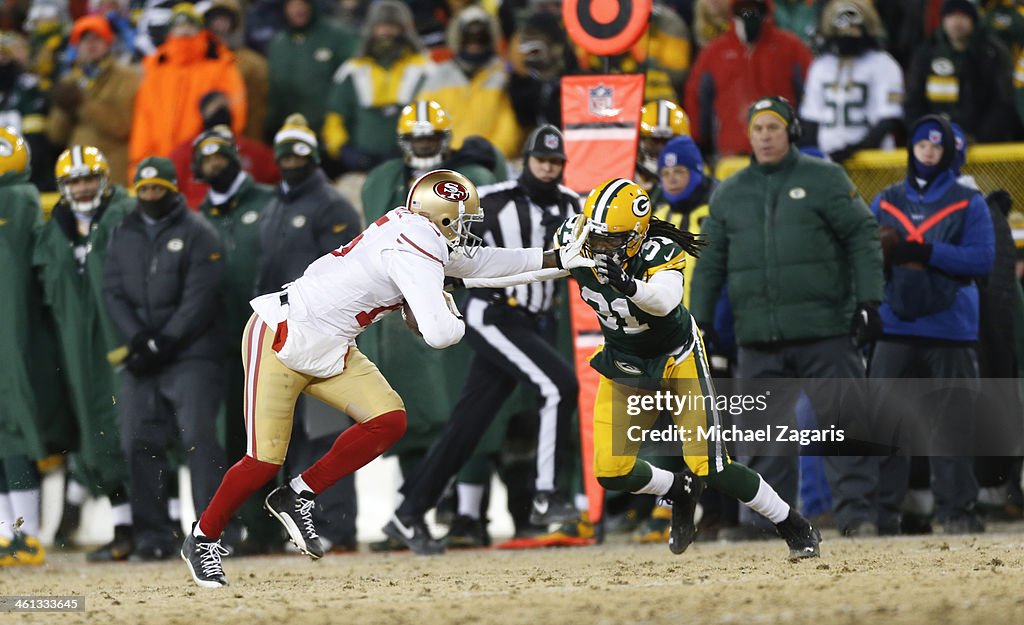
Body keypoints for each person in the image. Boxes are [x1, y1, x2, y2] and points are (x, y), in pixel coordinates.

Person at [180, 168, 596, 587]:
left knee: (389, 420)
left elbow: (482, 262)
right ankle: (203, 538)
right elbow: (441, 333)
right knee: (263, 459)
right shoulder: (416, 248)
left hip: (331, 345)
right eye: (464, 220)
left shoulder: (417, 231)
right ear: (443, 217)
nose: (467, 230)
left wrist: (556, 260)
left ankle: (298, 494)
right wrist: (449, 307)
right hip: (281, 337)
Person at [455, 177, 822, 560]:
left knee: (710, 466)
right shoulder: (577, 237)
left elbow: (665, 301)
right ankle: (678, 489)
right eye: (596, 236)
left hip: (676, 358)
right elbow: (535, 269)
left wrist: (630, 286)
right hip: (627, 362)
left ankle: (792, 523)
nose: (600, 246)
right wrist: (466, 276)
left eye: (611, 239)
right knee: (611, 471)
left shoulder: (659, 250)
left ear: (636, 235)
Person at [690, 96, 885, 537]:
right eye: (757, 129)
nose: (764, 136)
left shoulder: (826, 179)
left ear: (791, 132)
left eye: (773, 128)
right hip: (758, 336)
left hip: (826, 330)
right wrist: (698, 320)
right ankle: (764, 523)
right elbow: (710, 261)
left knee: (844, 425)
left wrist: (871, 301)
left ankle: (858, 516)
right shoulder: (731, 191)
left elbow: (863, 235)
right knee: (761, 438)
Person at [382, 125, 582, 553]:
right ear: (525, 159)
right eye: (540, 160)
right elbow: (443, 231)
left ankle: (407, 514)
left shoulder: (572, 204)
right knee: (558, 386)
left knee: (467, 426)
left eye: (555, 162)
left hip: (533, 320)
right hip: (492, 313)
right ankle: (547, 495)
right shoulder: (495, 199)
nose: (547, 168)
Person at [869, 114, 995, 534]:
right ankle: (880, 515)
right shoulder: (886, 199)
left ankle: (957, 512)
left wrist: (923, 252)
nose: (928, 150)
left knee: (952, 426)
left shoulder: (969, 201)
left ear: (949, 153)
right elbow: (864, 255)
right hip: (895, 324)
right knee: (884, 426)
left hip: (950, 327)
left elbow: (981, 260)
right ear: (912, 148)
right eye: (922, 143)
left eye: (937, 146)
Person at [103, 157, 229, 560]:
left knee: (199, 440)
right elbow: (112, 290)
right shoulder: (123, 231)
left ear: (173, 190)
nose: (151, 196)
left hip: (192, 353)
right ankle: (153, 536)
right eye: (144, 189)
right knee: (138, 440)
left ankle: (213, 532)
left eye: (158, 189)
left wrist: (164, 341)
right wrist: (140, 339)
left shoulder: (198, 232)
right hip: (145, 355)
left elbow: (201, 297)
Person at [255, 113, 364, 552]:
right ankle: (306, 528)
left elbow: (347, 274)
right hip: (282, 335)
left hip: (322, 334)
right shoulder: (274, 205)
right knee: (293, 433)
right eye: (285, 152)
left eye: (300, 151)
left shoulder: (332, 204)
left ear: (314, 154)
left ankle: (339, 526)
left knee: (325, 432)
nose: (292, 159)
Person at [33, 145, 136, 562]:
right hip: (74, 347)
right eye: (75, 180)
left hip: (119, 339)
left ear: (103, 178)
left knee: (131, 432)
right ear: (63, 186)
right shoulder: (53, 229)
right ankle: (122, 525)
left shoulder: (124, 216)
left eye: (89, 178)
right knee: (93, 436)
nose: (83, 186)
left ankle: (150, 525)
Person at [193, 126, 282, 552]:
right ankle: (248, 528)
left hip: (273, 336)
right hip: (221, 343)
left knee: (278, 434)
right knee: (236, 440)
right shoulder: (195, 216)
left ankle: (279, 526)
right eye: (206, 158)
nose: (215, 163)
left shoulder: (268, 202)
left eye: (221, 155)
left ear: (236, 156)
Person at [0, 128, 52, 566]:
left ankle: (27, 534)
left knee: (13, 431)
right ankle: (6, 535)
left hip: (13, 336)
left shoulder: (18, 198)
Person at [128, 3, 247, 177]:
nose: (184, 30)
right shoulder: (156, 69)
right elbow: (143, 124)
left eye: (190, 25)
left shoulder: (221, 65)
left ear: (201, 30)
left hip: (203, 163)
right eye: (179, 25)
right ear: (169, 31)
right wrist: (139, 167)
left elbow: (234, 116)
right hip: (161, 165)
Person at [685, 0, 812, 157]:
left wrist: (806, 138)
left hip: (782, 154)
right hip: (731, 154)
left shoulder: (791, 47)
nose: (749, 15)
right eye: (743, 9)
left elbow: (810, 95)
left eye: (755, 9)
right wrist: (698, 141)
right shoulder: (714, 52)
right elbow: (697, 98)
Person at [322, 0, 433, 173]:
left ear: (405, 30)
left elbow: (437, 115)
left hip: (414, 165)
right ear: (371, 29)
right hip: (363, 167)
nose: (387, 32)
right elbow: (335, 118)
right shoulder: (353, 70)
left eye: (393, 25)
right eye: (381, 25)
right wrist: (344, 150)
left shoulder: (424, 69)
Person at [799, 0, 904, 163]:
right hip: (829, 159)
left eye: (853, 29)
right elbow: (811, 118)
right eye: (841, 30)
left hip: (872, 160)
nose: (846, 35)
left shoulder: (883, 64)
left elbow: (889, 118)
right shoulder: (821, 66)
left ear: (865, 29)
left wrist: (855, 150)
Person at [46, 14, 141, 186]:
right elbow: (56, 135)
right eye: (85, 40)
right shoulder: (70, 80)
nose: (91, 44)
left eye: (97, 38)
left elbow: (122, 127)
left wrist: (82, 103)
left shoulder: (127, 76)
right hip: (78, 171)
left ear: (108, 43)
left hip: (113, 171)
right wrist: (62, 110)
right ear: (77, 46)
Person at [415, 6, 522, 159]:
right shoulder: (438, 76)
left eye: (480, 38)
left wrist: (492, 155)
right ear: (458, 38)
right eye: (469, 39)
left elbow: (509, 127)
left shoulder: (503, 75)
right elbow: (422, 121)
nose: (475, 45)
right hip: (445, 161)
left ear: (490, 38)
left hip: (489, 162)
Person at [905, 0, 1017, 143]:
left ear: (973, 20)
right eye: (951, 16)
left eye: (963, 16)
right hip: (935, 145)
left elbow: (1004, 102)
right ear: (943, 20)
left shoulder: (993, 53)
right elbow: (914, 103)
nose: (956, 22)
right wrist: (929, 135)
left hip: (984, 147)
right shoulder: (926, 53)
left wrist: (978, 137)